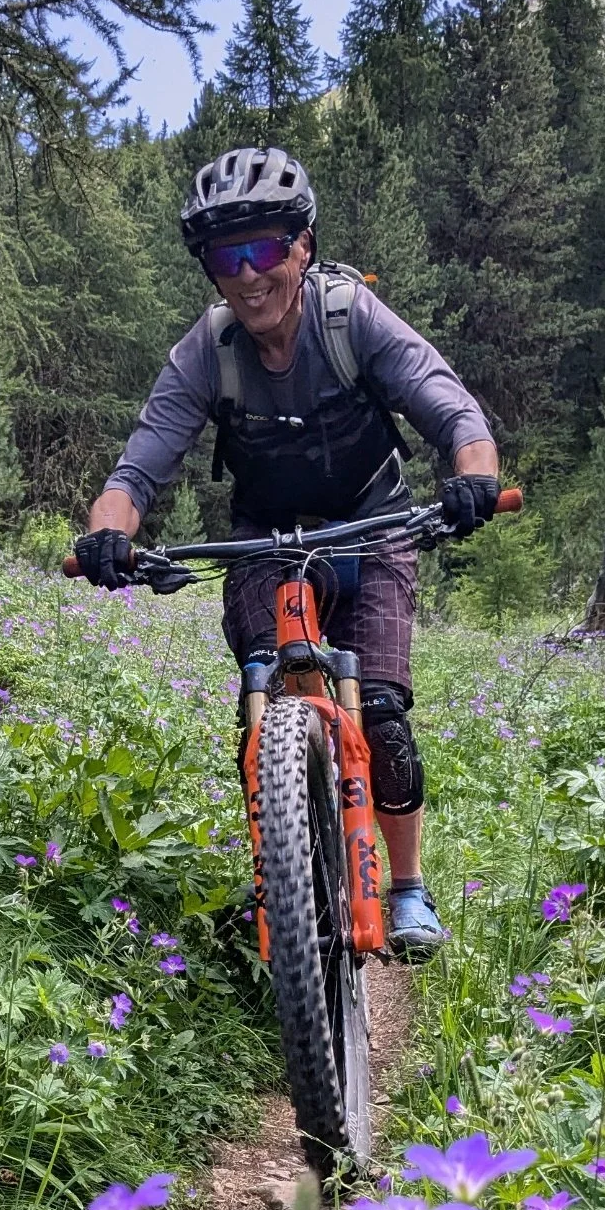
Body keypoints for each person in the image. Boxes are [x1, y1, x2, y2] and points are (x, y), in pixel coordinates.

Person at [72, 144, 502, 960]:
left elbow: (451, 410)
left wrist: (473, 477)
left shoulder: (351, 318)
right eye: (223, 256)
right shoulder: (209, 349)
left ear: (301, 245)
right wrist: (109, 533)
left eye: (264, 247)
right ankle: (280, 867)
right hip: (261, 539)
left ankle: (406, 889)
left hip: (372, 526)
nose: (246, 274)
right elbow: (139, 465)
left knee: (381, 716)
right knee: (260, 696)